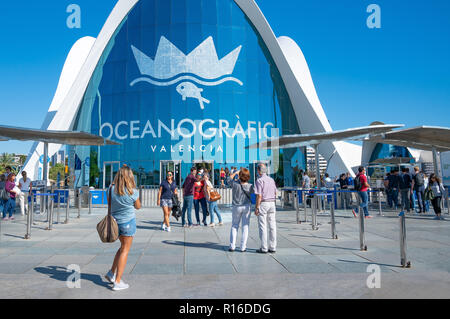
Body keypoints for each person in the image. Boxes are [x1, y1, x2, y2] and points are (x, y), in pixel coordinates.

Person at [105, 165, 141, 291]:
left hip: (115, 223)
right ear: (130, 177)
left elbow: (110, 204)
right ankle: (118, 281)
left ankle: (111, 273)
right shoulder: (133, 192)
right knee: (125, 250)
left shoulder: (110, 189)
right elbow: (138, 206)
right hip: (128, 223)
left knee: (122, 248)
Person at [228, 168, 254, 252]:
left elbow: (229, 179)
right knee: (245, 226)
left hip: (236, 206)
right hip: (247, 206)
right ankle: (243, 247)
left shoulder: (235, 184)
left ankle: (232, 246)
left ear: (240, 176)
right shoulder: (250, 186)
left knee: (234, 225)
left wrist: (236, 172)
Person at [254, 163, 277, 253]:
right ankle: (273, 246)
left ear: (259, 171)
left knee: (263, 226)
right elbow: (275, 192)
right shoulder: (271, 180)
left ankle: (264, 247)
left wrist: (256, 207)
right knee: (272, 226)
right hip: (272, 203)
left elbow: (259, 195)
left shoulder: (259, 180)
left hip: (264, 203)